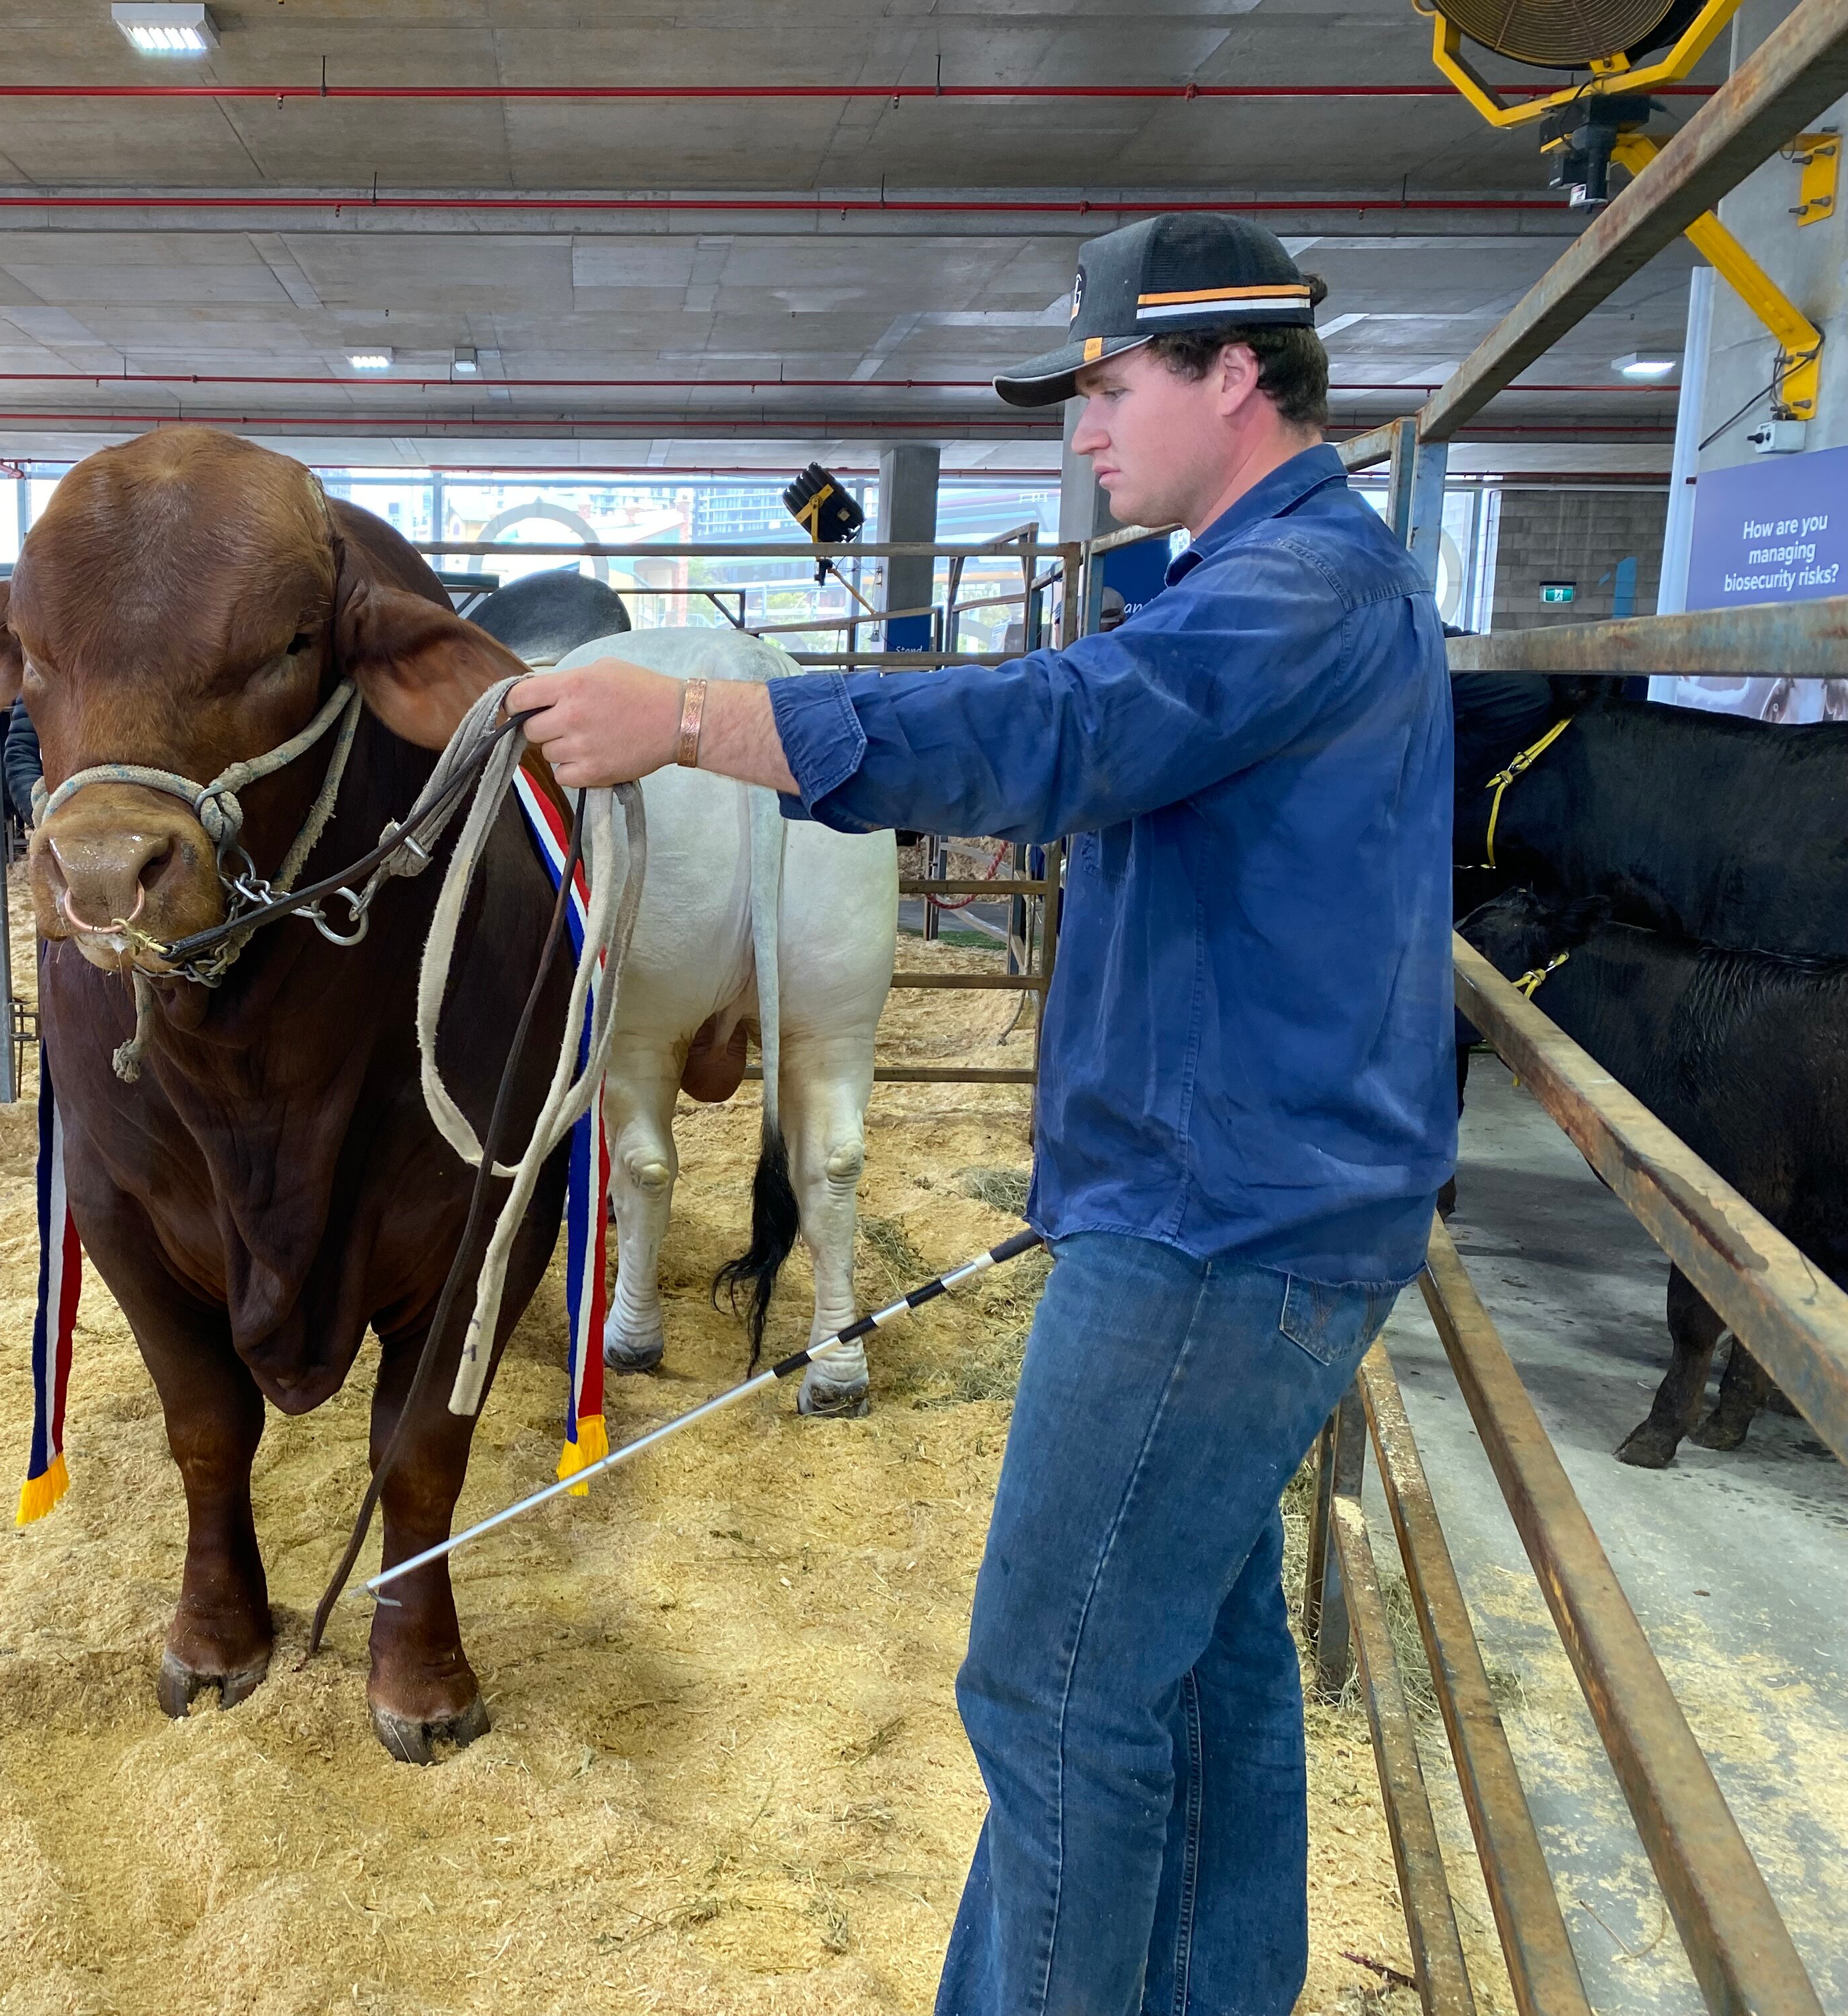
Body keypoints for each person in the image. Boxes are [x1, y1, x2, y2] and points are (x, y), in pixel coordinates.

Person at [509, 213, 1454, 2016]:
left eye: (1110, 386)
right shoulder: (1269, 580)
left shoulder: (1297, 591)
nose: (1084, 429)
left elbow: (1059, 733)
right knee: (1201, 1663)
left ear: (1233, 378)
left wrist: (704, 716)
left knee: (1055, 1687)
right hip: (1238, 1198)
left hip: (1218, 1227)